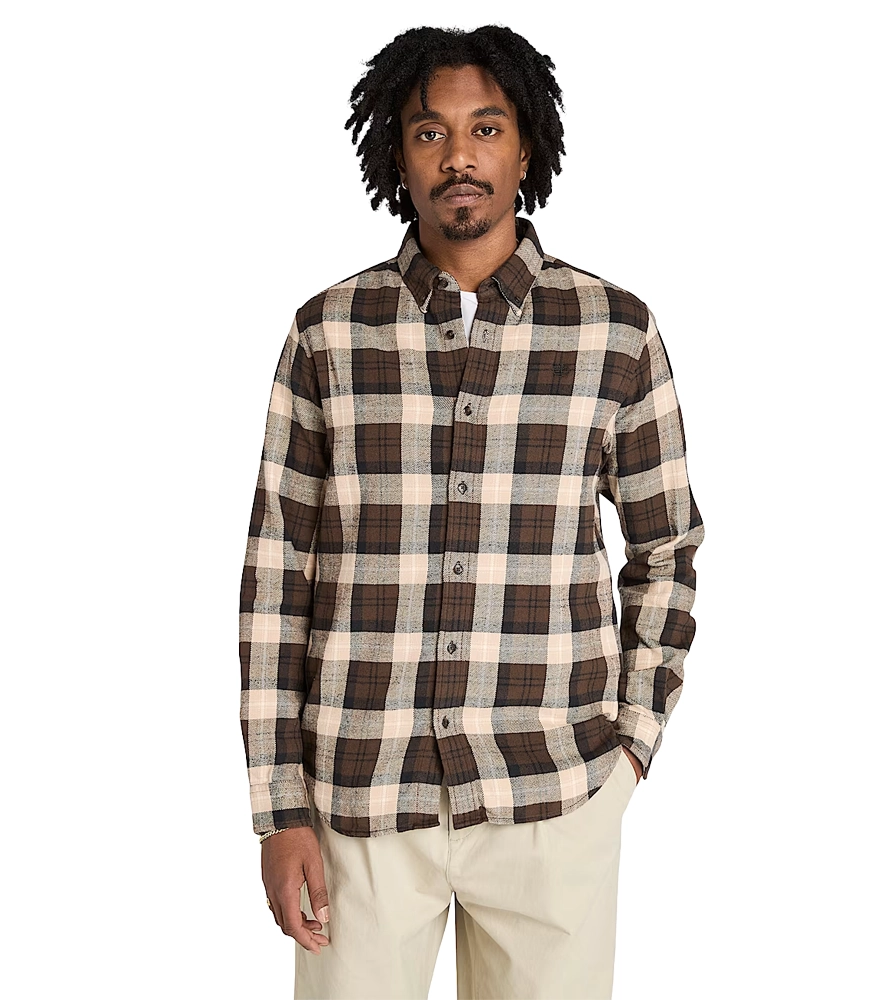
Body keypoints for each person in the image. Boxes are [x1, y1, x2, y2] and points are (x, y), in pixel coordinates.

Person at [239, 24, 705, 1000]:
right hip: (360, 798)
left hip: (554, 794)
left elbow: (665, 549)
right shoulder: (327, 334)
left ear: (525, 149)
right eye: (430, 132)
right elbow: (276, 577)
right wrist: (279, 807)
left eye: (486, 129)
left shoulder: (615, 332)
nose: (459, 155)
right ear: (396, 157)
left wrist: (630, 749)